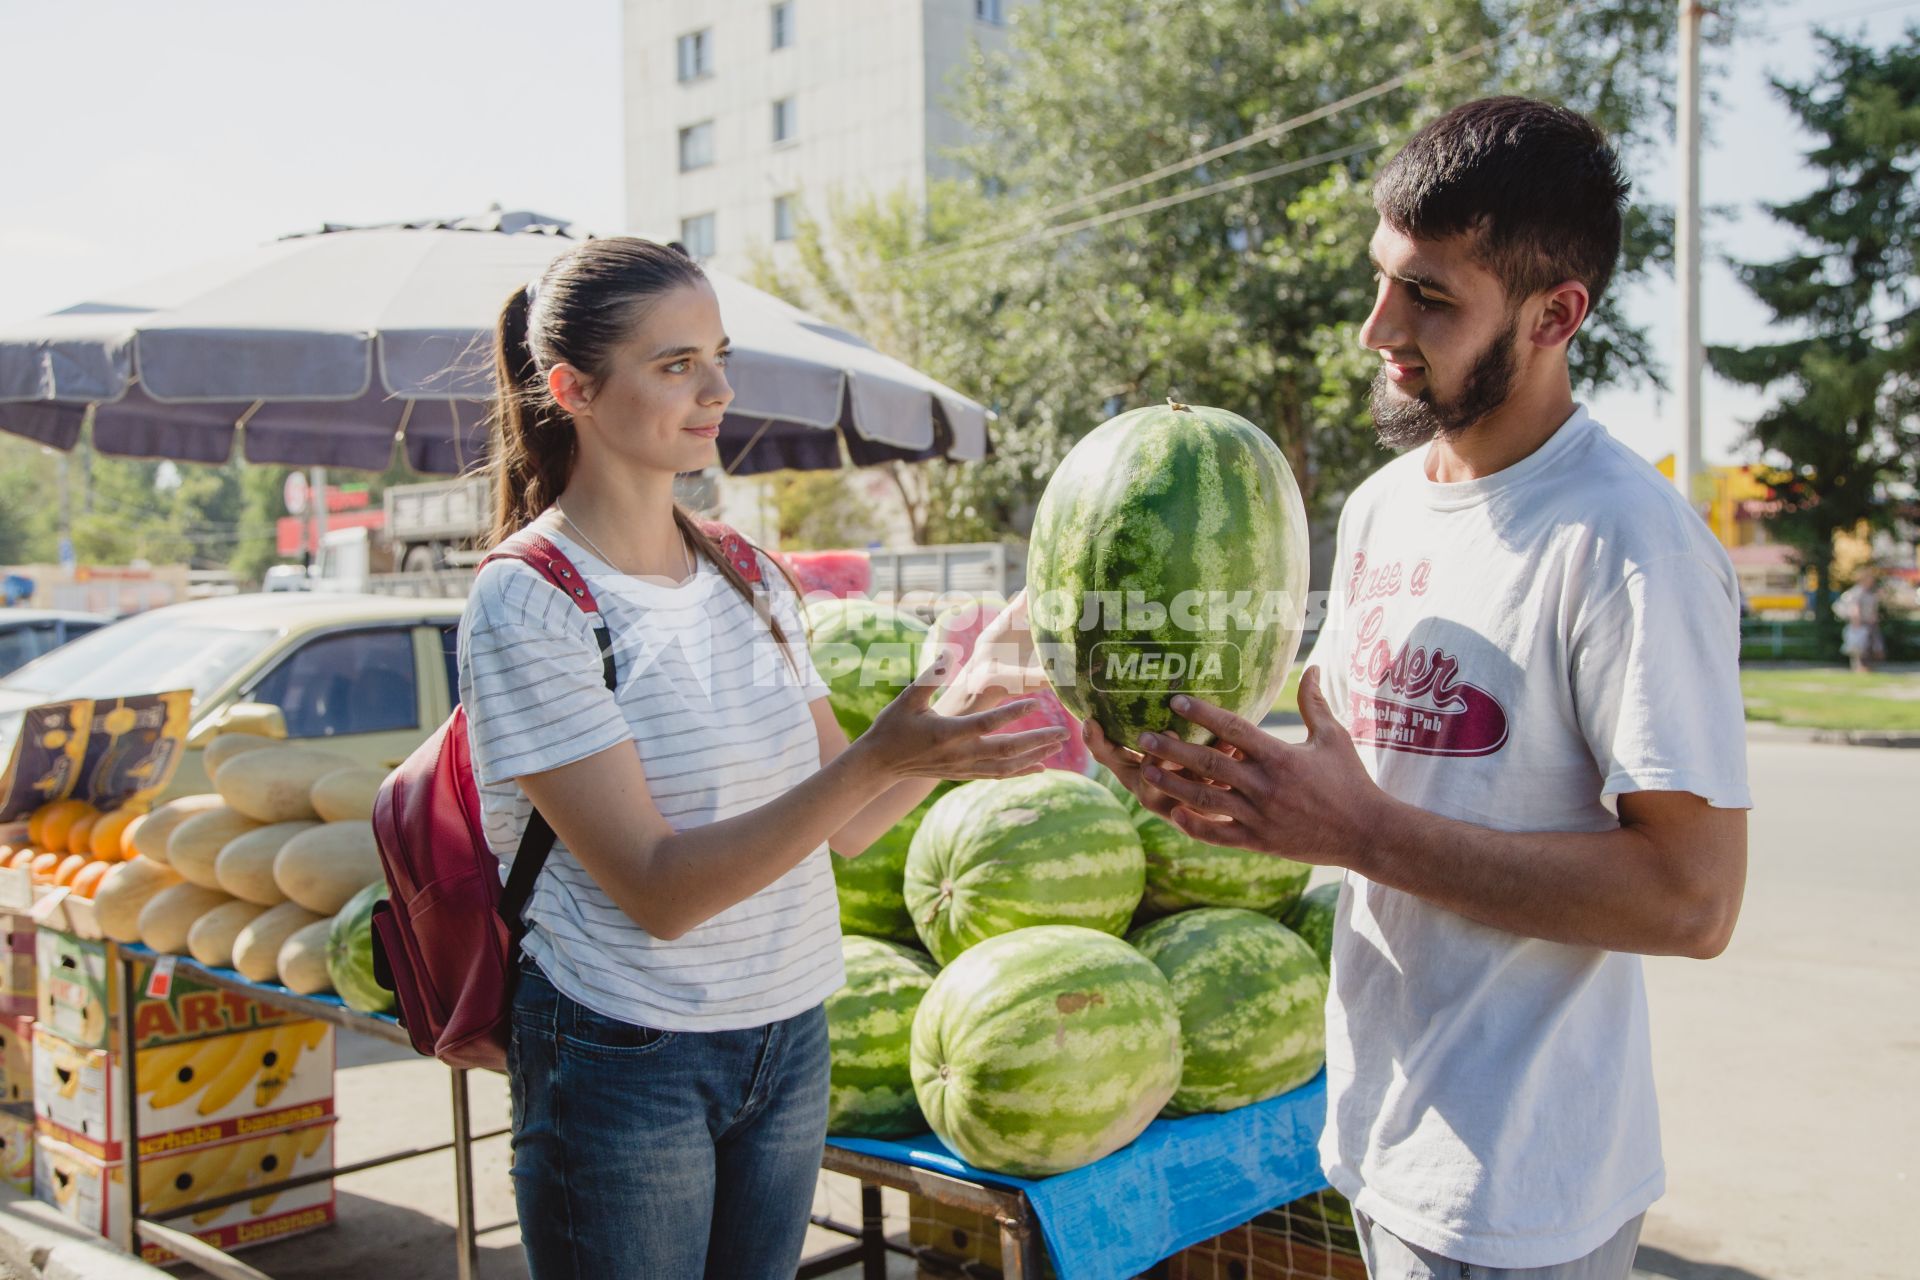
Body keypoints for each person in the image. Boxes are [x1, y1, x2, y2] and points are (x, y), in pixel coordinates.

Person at [1089, 99, 1751, 1280]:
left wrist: (1363, 831)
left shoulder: (1627, 539)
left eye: (1430, 297)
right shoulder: (1383, 505)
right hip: (1375, 1137)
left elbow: (1691, 900)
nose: (1373, 328)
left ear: (1559, 314)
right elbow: (1362, 779)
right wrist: (1177, 756)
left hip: (1526, 1194)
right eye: (1383, 278)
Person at [461, 237, 1061, 1278]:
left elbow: (852, 822)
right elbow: (659, 889)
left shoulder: (747, 571)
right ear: (574, 389)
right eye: (676, 363)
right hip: (623, 1051)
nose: (719, 389)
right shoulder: (531, 597)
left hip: (788, 1034)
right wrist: (878, 757)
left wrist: (977, 691)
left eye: (719, 356)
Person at [1836, 568, 1884, 673]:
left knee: (1871, 647)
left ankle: (1866, 668)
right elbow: (1855, 609)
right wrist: (1856, 624)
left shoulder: (1869, 592)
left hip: (1869, 623)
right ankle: (1860, 668)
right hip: (1861, 624)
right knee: (1861, 647)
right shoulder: (1858, 592)